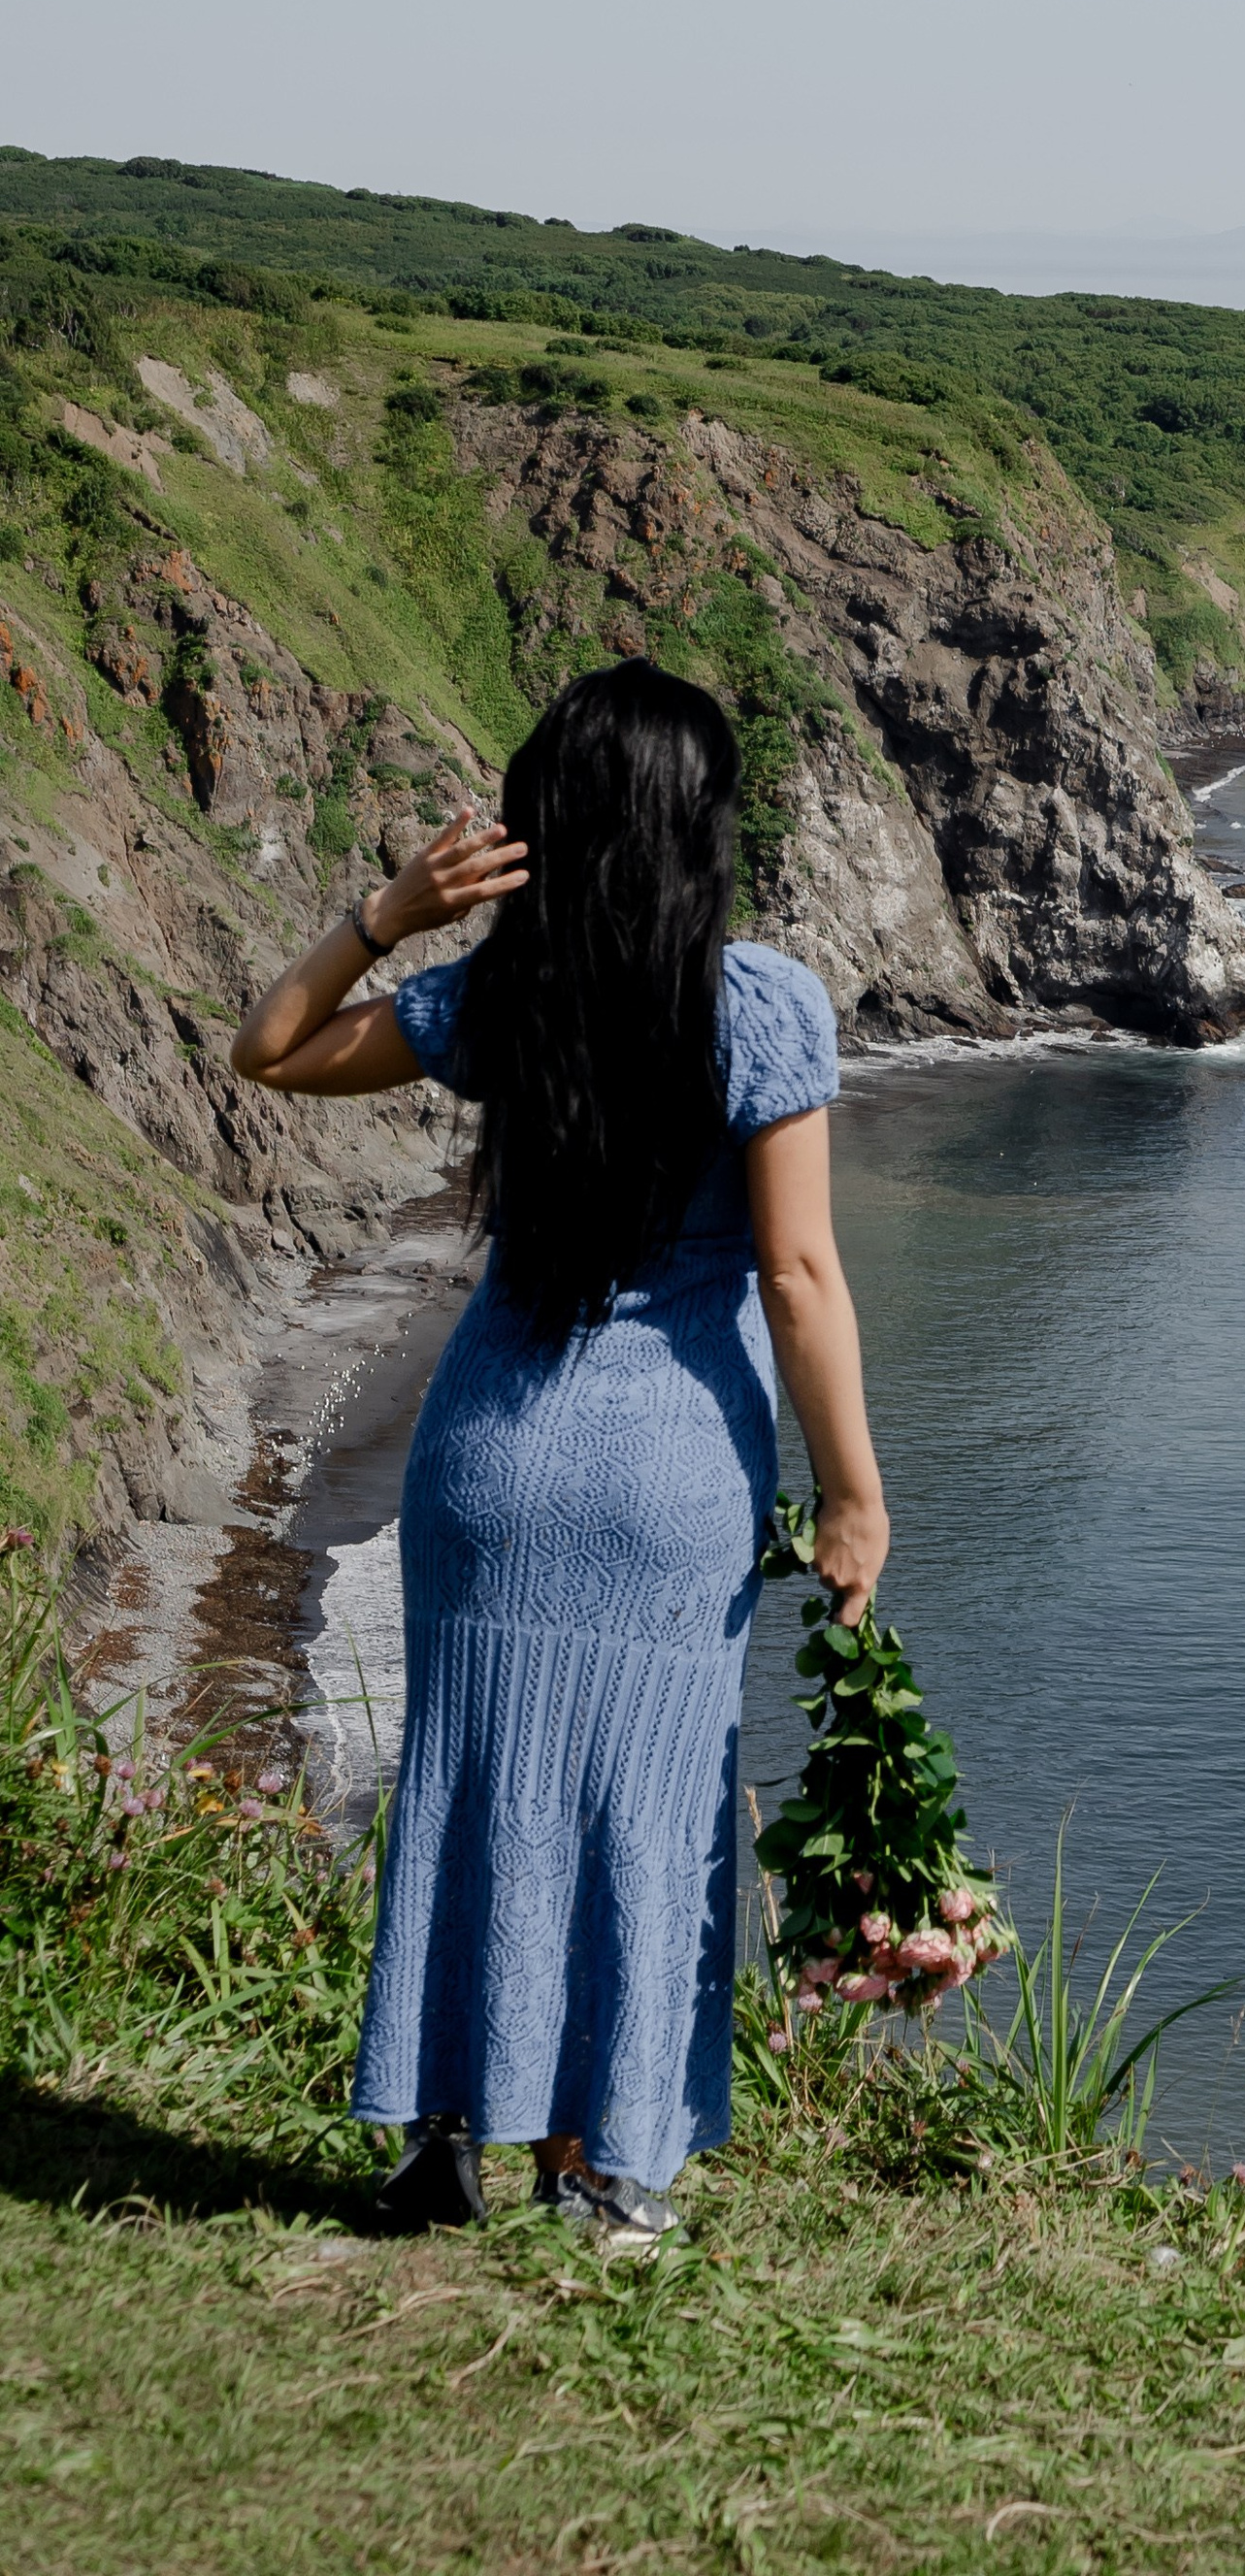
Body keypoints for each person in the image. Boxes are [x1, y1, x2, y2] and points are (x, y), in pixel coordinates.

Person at [231, 656, 888, 2244]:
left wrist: (388, 914)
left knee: (474, 1792)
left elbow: (273, 1049)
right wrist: (856, 1496)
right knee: (644, 1813)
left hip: (491, 1461)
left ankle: (437, 2138)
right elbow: (798, 1279)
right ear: (694, 833)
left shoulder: (495, 1000)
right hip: (670, 1481)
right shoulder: (760, 1008)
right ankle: (606, 2168)